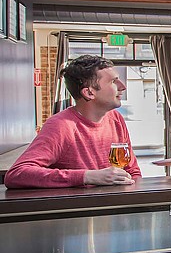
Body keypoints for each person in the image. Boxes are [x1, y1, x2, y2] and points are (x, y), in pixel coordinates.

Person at [4, 55, 141, 188]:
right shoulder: (60, 125)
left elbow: (132, 171)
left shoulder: (115, 118)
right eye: (113, 81)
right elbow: (17, 174)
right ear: (89, 93)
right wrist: (87, 176)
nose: (123, 86)